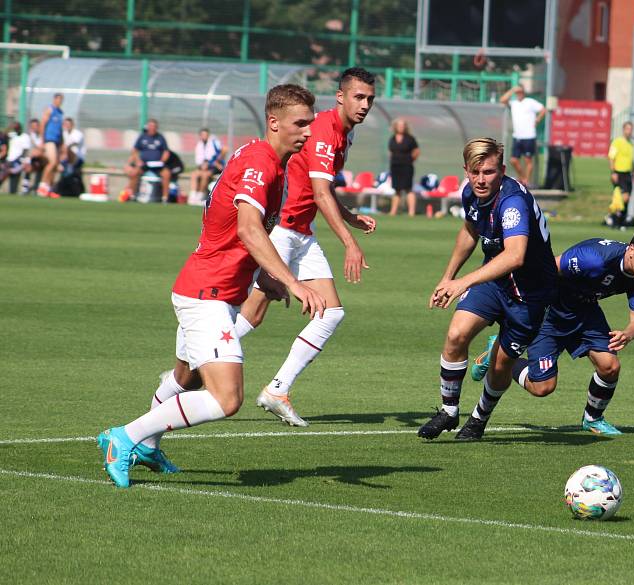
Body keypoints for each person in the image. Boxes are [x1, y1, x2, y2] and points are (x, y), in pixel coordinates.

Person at [96, 84, 326, 489]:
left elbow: (237, 235)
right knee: (227, 399)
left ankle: (147, 444)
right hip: (207, 295)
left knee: (188, 378)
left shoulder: (267, 161)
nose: (308, 132)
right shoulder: (262, 163)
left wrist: (265, 278)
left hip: (210, 287)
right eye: (300, 123)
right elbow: (249, 229)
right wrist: (293, 280)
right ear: (274, 123)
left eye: (311, 122)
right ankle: (124, 437)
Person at [236, 67, 377, 427]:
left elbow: (322, 191)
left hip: (302, 231)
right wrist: (350, 242)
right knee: (252, 314)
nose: (365, 105)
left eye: (370, 99)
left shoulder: (344, 133)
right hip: (281, 231)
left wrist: (348, 217)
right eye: (359, 97)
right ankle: (185, 371)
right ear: (341, 97)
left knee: (330, 312)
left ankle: (277, 390)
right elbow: (318, 191)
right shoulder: (327, 130)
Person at [417, 137, 557, 441]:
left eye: (489, 172)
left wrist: (463, 281)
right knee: (456, 334)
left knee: (500, 366)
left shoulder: (512, 202)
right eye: (475, 172)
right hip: (496, 283)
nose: (481, 180)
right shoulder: (471, 193)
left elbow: (515, 255)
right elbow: (470, 232)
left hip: (529, 296)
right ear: (466, 170)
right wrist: (447, 277)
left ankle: (478, 420)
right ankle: (449, 411)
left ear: (502, 170)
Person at [473, 225, 634, 437]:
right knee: (542, 388)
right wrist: (521, 308)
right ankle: (498, 350)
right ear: (631, 249)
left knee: (610, 366)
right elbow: (547, 269)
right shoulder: (593, 259)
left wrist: (628, 334)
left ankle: (593, 419)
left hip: (586, 312)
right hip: (551, 312)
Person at [500, 85, 546, 188]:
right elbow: (502, 100)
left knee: (528, 160)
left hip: (529, 135)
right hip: (518, 136)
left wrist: (538, 119)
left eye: (520, 92)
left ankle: (526, 181)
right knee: (513, 160)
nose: (519, 94)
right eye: (517, 92)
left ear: (523, 92)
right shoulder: (514, 103)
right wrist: (512, 90)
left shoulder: (530, 102)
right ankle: (523, 178)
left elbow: (543, 109)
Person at [123, 118, 170, 202]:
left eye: (154, 126)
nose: (152, 128)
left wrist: (162, 161)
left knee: (166, 174)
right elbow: (134, 151)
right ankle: (132, 195)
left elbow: (166, 152)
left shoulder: (160, 137)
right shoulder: (142, 137)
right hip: (144, 164)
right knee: (135, 173)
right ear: (147, 127)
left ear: (157, 127)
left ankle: (165, 198)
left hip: (157, 165)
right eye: (150, 126)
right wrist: (138, 161)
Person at [605, 121, 634, 229]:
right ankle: (615, 219)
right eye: (627, 129)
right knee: (622, 197)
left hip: (628, 174)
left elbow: (631, 161)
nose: (629, 131)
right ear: (623, 130)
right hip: (619, 173)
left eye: (631, 129)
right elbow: (611, 157)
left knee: (627, 198)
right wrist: (613, 172)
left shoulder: (631, 144)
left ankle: (619, 219)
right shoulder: (617, 142)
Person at [387, 118, 420, 216]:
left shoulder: (410, 139)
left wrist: (409, 160)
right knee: (396, 189)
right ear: (395, 127)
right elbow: (390, 152)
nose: (401, 127)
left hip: (407, 167)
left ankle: (411, 212)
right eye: (399, 125)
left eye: (403, 125)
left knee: (408, 189)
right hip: (395, 167)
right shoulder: (392, 138)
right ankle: (393, 212)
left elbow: (416, 152)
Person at [189, 127, 227, 205]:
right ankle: (193, 196)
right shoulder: (199, 144)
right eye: (202, 135)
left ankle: (200, 196)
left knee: (205, 175)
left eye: (206, 135)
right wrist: (202, 165)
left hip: (216, 167)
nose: (204, 136)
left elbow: (224, 150)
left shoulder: (214, 142)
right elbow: (199, 160)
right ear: (200, 136)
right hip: (204, 167)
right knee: (194, 174)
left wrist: (216, 161)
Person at [36, 93, 65, 198]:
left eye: (61, 100)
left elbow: (60, 130)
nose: (60, 102)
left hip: (57, 141)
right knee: (52, 163)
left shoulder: (60, 113)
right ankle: (42, 186)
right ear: (54, 99)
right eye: (58, 99)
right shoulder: (49, 109)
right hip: (49, 140)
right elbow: (43, 124)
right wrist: (42, 141)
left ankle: (50, 188)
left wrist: (62, 144)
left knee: (56, 165)